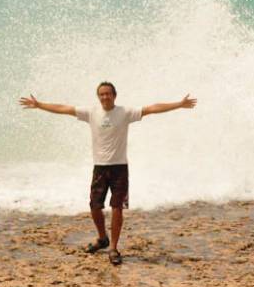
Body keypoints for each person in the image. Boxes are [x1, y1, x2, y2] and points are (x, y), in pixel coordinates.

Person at [18, 81, 197, 265]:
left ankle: (113, 247)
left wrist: (179, 104)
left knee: (117, 208)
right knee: (95, 206)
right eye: (102, 94)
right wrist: (39, 105)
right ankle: (102, 238)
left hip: (119, 167)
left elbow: (151, 108)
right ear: (98, 96)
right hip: (100, 167)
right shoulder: (91, 112)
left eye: (108, 94)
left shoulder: (125, 112)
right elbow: (64, 108)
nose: (105, 97)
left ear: (114, 95)